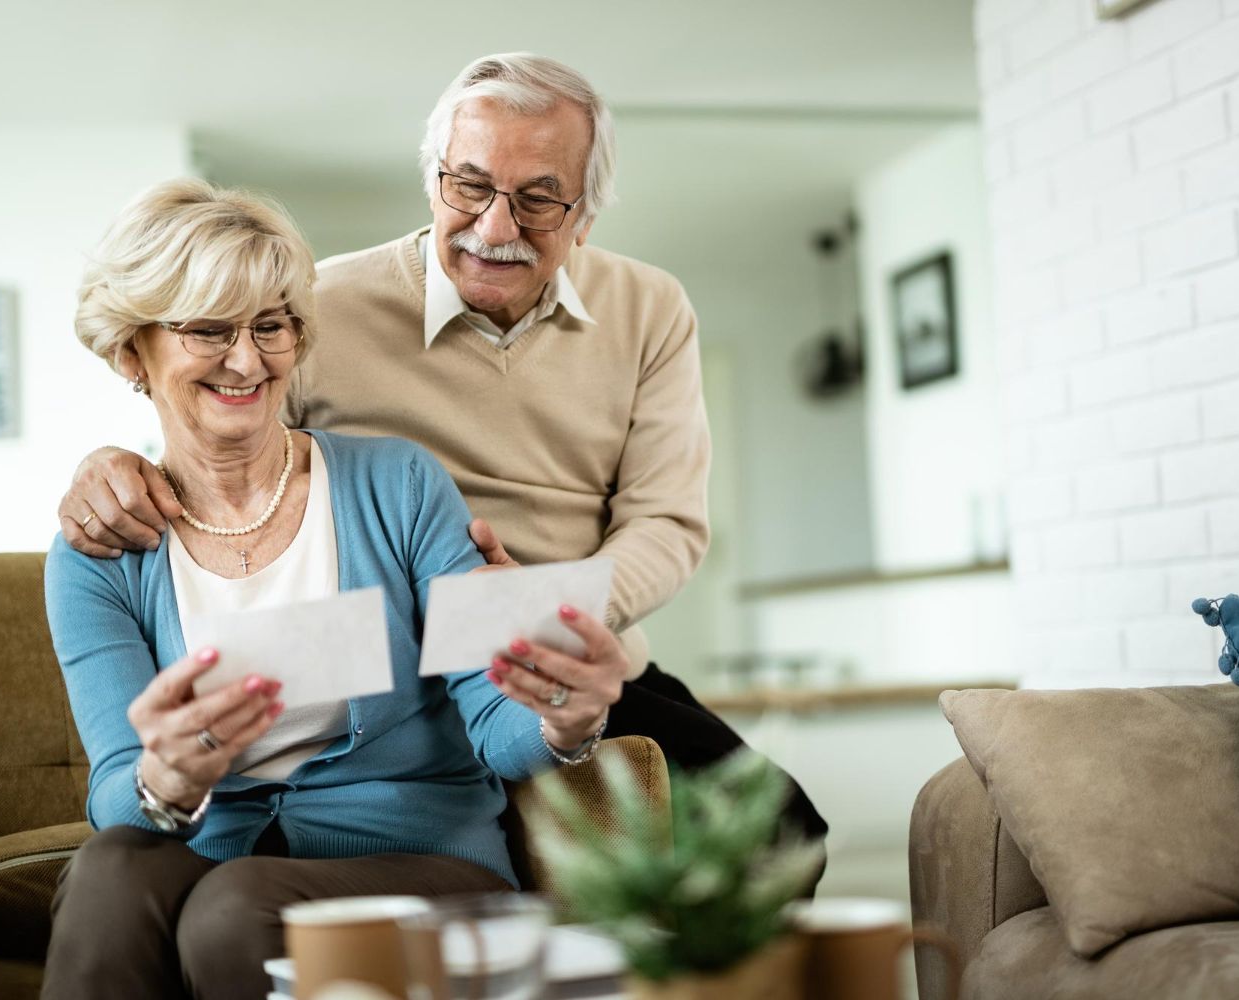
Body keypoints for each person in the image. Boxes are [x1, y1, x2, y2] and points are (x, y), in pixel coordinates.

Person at [56, 52, 828, 849]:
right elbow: (226, 436)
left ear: (585, 215)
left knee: (779, 834)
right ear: (432, 180)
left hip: (557, 653)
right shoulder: (321, 304)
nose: (496, 228)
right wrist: (112, 465)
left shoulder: (650, 308)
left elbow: (666, 525)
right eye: (470, 185)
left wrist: (533, 613)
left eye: (538, 199)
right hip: (389, 680)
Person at [42, 179, 631, 1000]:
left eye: (270, 326)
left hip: (426, 862)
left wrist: (566, 716)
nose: (247, 360)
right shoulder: (98, 555)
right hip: (214, 851)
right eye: (209, 330)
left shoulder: (401, 485)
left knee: (233, 907)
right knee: (111, 869)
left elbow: (499, 723)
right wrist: (165, 779)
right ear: (132, 355)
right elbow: (119, 793)